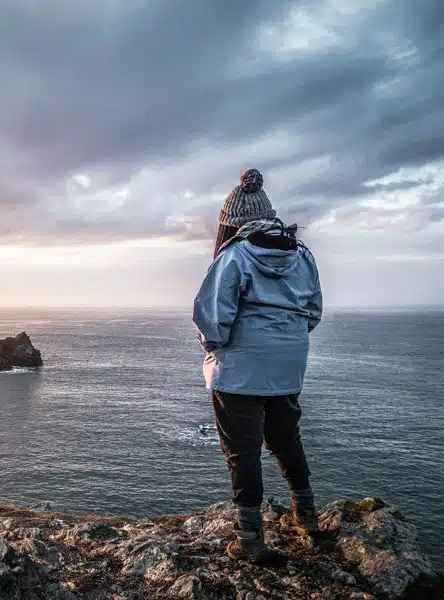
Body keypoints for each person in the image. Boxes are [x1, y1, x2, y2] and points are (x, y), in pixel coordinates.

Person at [193, 168, 323, 566]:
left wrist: (214, 348)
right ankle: (308, 519)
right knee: (287, 438)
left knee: (243, 452)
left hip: (241, 372)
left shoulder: (233, 256)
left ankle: (250, 539)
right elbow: (313, 312)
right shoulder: (301, 254)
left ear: (230, 223)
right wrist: (285, 341)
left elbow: (212, 320)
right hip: (288, 365)